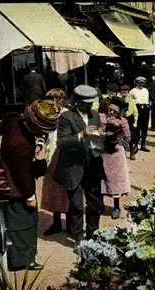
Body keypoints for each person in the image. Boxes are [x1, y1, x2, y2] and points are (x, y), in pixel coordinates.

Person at [0, 100, 58, 271]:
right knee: (26, 221)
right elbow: (23, 175)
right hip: (15, 187)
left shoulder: (13, 121)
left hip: (1, 173)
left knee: (9, 219)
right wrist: (30, 197)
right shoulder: (21, 145)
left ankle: (13, 255)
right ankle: (23, 260)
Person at [54, 85, 105, 249]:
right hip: (73, 167)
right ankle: (78, 236)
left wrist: (105, 137)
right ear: (77, 102)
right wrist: (82, 134)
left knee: (95, 203)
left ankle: (93, 233)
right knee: (76, 204)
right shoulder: (66, 117)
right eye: (85, 103)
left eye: (91, 103)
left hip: (93, 165)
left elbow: (99, 141)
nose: (89, 106)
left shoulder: (95, 115)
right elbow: (61, 142)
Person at [40, 90, 71, 236]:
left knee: (67, 188)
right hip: (50, 153)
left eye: (55, 100)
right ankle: (57, 222)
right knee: (53, 189)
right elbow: (42, 133)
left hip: (64, 155)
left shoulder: (68, 115)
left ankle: (71, 223)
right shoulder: (48, 114)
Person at [98, 98, 131, 219]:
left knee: (116, 180)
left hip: (116, 154)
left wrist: (119, 141)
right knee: (102, 178)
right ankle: (100, 204)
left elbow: (128, 137)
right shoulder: (101, 118)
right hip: (104, 152)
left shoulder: (123, 121)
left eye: (114, 111)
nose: (111, 113)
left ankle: (116, 206)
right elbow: (97, 132)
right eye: (110, 110)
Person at [129, 77, 151, 153]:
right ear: (136, 83)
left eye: (142, 83)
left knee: (145, 127)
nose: (141, 84)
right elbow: (130, 101)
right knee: (137, 127)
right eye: (139, 83)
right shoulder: (133, 91)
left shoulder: (146, 90)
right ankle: (135, 145)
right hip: (137, 109)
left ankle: (143, 144)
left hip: (145, 108)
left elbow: (147, 100)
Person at [118, 85, 138, 160]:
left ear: (128, 93)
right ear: (120, 93)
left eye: (126, 93)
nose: (124, 94)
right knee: (121, 136)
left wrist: (135, 122)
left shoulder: (131, 101)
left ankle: (132, 153)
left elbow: (136, 112)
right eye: (122, 93)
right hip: (120, 119)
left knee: (130, 136)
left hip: (129, 119)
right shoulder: (118, 101)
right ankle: (122, 153)